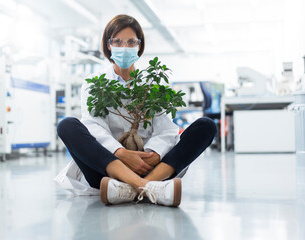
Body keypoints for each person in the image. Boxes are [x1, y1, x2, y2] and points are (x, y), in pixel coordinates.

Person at [56, 14, 217, 207]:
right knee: (67, 126)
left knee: (206, 126)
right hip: (106, 169)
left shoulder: (151, 84)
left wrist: (150, 156)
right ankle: (149, 187)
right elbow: (94, 128)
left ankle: (128, 189)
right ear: (109, 45)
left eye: (131, 42)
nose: (124, 48)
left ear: (139, 46)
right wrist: (121, 154)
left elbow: (165, 130)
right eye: (118, 41)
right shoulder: (94, 85)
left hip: (149, 166)